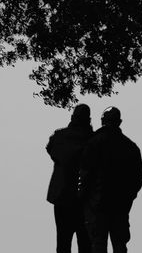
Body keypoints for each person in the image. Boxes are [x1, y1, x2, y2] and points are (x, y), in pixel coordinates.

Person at [79, 106, 142, 253]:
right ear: (119, 122)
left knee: (98, 244)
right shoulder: (130, 147)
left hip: (98, 204)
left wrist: (84, 197)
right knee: (120, 245)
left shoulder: (93, 143)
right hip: (120, 205)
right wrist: (128, 197)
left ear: (102, 121)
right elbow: (139, 177)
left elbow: (85, 173)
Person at [46, 104, 93, 253]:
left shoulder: (59, 137)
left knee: (63, 242)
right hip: (83, 199)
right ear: (88, 120)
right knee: (85, 243)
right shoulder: (92, 141)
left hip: (61, 197)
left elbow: (50, 150)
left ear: (72, 118)